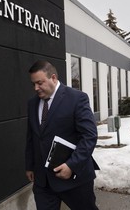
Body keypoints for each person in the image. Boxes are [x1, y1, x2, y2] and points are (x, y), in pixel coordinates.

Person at [25, 60, 99, 210]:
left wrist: (72, 165)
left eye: (40, 83)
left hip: (74, 178)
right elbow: (32, 136)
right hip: (43, 181)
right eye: (33, 84)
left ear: (53, 77)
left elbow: (89, 136)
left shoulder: (77, 98)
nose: (36, 88)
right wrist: (30, 165)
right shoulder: (32, 103)